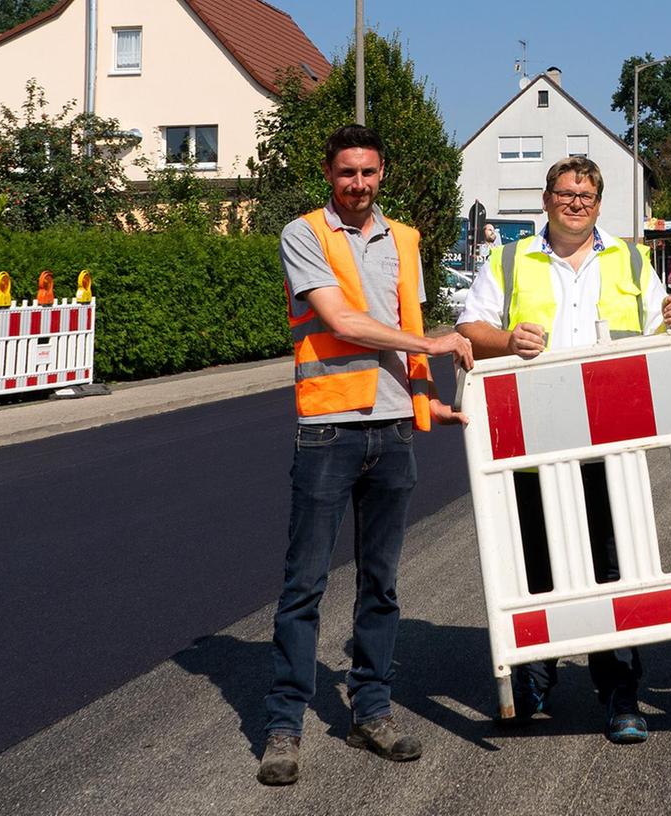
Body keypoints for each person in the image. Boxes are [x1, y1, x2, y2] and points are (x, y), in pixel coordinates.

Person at [257, 124, 474, 787]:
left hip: (393, 432)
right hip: (329, 428)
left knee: (381, 586)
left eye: (369, 172)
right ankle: (284, 726)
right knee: (305, 586)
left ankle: (370, 712)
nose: (358, 184)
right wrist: (436, 343)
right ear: (329, 172)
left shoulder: (404, 239)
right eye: (347, 172)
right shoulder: (305, 234)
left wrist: (423, 400)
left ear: (384, 173)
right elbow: (344, 322)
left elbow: (400, 333)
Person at [457, 156, 671, 744]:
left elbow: (663, 333)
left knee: (614, 568)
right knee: (538, 564)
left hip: (614, 442)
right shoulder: (510, 260)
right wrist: (507, 339)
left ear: (599, 202)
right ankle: (537, 679)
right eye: (566, 193)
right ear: (546, 199)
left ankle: (619, 694)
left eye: (586, 195)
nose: (576, 203)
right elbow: (469, 328)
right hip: (533, 442)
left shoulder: (633, 259)